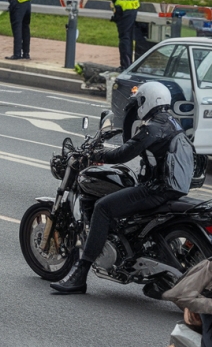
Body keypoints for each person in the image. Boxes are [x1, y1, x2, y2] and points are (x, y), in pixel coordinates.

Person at [50, 81, 186, 295]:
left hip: (157, 189)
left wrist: (97, 155)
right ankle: (159, 279)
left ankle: (80, 275)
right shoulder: (173, 123)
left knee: (103, 207)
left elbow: (124, 154)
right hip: (173, 187)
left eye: (140, 100)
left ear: (148, 101)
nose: (139, 104)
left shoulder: (152, 128)